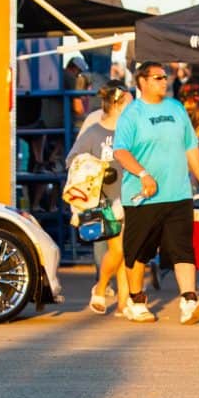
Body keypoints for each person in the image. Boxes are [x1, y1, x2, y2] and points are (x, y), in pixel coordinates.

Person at [114, 60, 199, 324]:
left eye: (165, 77)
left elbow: (190, 147)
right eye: (158, 78)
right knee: (139, 251)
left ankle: (189, 301)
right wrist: (143, 174)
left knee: (183, 248)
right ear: (142, 81)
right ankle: (136, 300)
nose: (164, 82)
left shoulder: (176, 108)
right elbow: (121, 151)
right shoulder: (132, 113)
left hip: (178, 193)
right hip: (143, 196)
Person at [67, 82, 136, 315]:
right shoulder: (94, 131)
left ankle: (124, 303)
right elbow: (72, 160)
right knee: (119, 250)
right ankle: (100, 287)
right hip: (106, 200)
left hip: (129, 196)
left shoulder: (131, 131)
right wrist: (96, 169)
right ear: (117, 104)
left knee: (125, 252)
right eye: (129, 103)